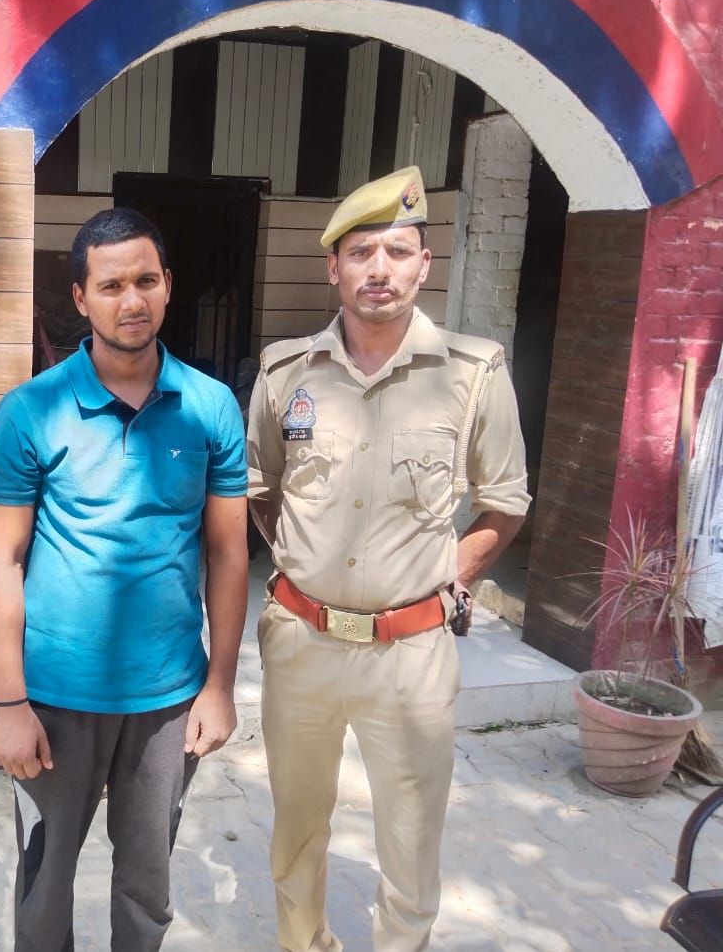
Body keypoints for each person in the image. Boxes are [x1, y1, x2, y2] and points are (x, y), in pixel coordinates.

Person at [246, 166, 530, 951]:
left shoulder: (472, 373)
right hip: (302, 643)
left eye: (398, 251)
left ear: (424, 265)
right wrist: (302, 559)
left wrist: (451, 576)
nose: (380, 269)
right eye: (361, 252)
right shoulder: (285, 373)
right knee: (296, 828)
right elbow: (261, 489)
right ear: (332, 267)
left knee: (410, 838)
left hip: (411, 653)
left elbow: (505, 502)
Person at [0, 207, 250, 951]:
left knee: (145, 887)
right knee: (44, 887)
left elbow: (229, 554)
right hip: (53, 699)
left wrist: (220, 685)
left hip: (167, 700)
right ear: (80, 297)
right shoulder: (31, 410)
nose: (131, 300)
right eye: (110, 285)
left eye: (145, 281)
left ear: (168, 285)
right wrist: (9, 703)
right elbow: (2, 561)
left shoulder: (210, 406)